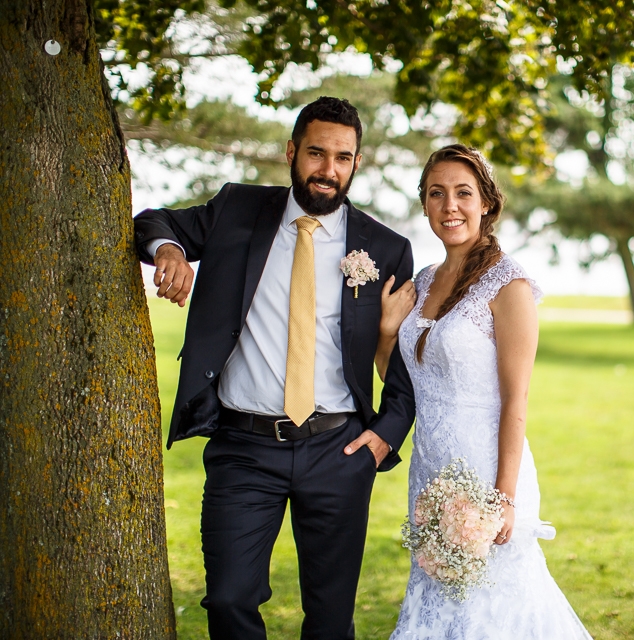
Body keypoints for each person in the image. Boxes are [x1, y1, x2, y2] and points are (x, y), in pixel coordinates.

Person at [133, 96, 417, 640]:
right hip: (244, 449)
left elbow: (403, 368)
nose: (327, 170)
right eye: (316, 153)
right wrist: (170, 251)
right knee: (229, 600)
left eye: (342, 157)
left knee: (331, 620)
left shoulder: (386, 248)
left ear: (356, 163)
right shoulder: (238, 210)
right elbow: (155, 219)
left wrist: (383, 436)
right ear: (292, 152)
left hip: (339, 450)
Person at [379, 144, 592, 638]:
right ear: (425, 204)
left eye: (463, 193)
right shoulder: (424, 281)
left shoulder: (509, 285)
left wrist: (506, 497)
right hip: (430, 472)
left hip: (486, 474)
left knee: (495, 609)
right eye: (437, 194)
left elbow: (517, 400)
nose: (449, 206)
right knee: (437, 605)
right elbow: (405, 381)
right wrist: (388, 331)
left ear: (486, 204)